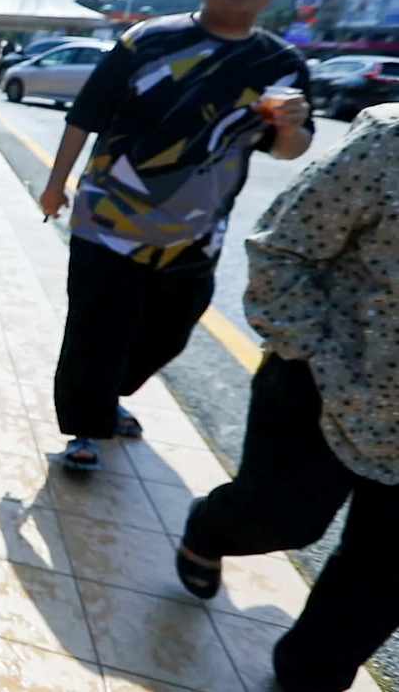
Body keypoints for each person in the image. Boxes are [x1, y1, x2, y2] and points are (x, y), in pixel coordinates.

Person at [38, 0, 313, 471]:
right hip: (108, 220)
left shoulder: (281, 66)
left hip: (196, 235)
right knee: (96, 329)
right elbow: (86, 115)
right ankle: (86, 429)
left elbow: (289, 151)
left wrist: (291, 127)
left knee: (168, 332)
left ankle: (108, 394)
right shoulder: (147, 41)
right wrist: (56, 184)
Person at [175, 104, 399, 692]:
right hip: (326, 384)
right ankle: (210, 528)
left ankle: (310, 675)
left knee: (384, 573)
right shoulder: (388, 143)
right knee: (281, 519)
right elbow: (282, 249)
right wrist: (311, 352)